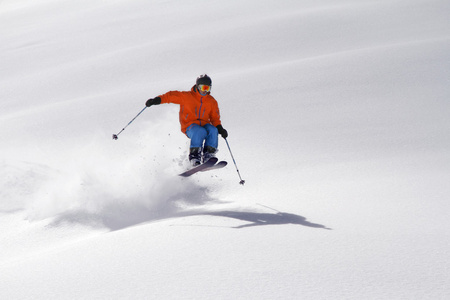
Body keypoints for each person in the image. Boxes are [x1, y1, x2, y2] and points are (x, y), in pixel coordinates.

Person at [145, 74, 228, 166]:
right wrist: (156, 100)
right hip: (190, 125)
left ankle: (209, 154)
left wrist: (220, 129)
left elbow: (215, 118)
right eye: (203, 87)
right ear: (197, 86)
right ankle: (194, 156)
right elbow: (170, 96)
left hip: (204, 124)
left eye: (207, 88)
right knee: (199, 131)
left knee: (213, 130)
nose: (205, 91)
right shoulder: (186, 97)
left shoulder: (211, 101)